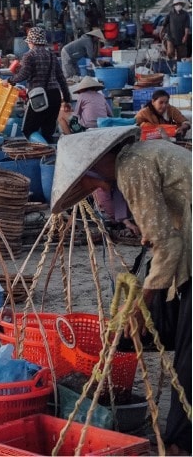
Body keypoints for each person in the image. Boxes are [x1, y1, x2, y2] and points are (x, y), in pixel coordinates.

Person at [50, 126, 190, 455]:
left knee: (189, 359)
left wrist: (141, 302)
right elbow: (166, 224)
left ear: (94, 168)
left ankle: (180, 444)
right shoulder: (140, 156)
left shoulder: (131, 167)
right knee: (165, 332)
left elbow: (167, 245)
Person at [9, 27, 72, 143]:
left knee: (29, 130)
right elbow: (61, 78)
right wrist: (67, 99)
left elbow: (23, 75)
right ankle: (53, 156)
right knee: (48, 132)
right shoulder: (52, 56)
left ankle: (45, 151)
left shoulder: (29, 55)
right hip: (54, 96)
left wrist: (9, 81)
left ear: (31, 42)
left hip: (39, 97)